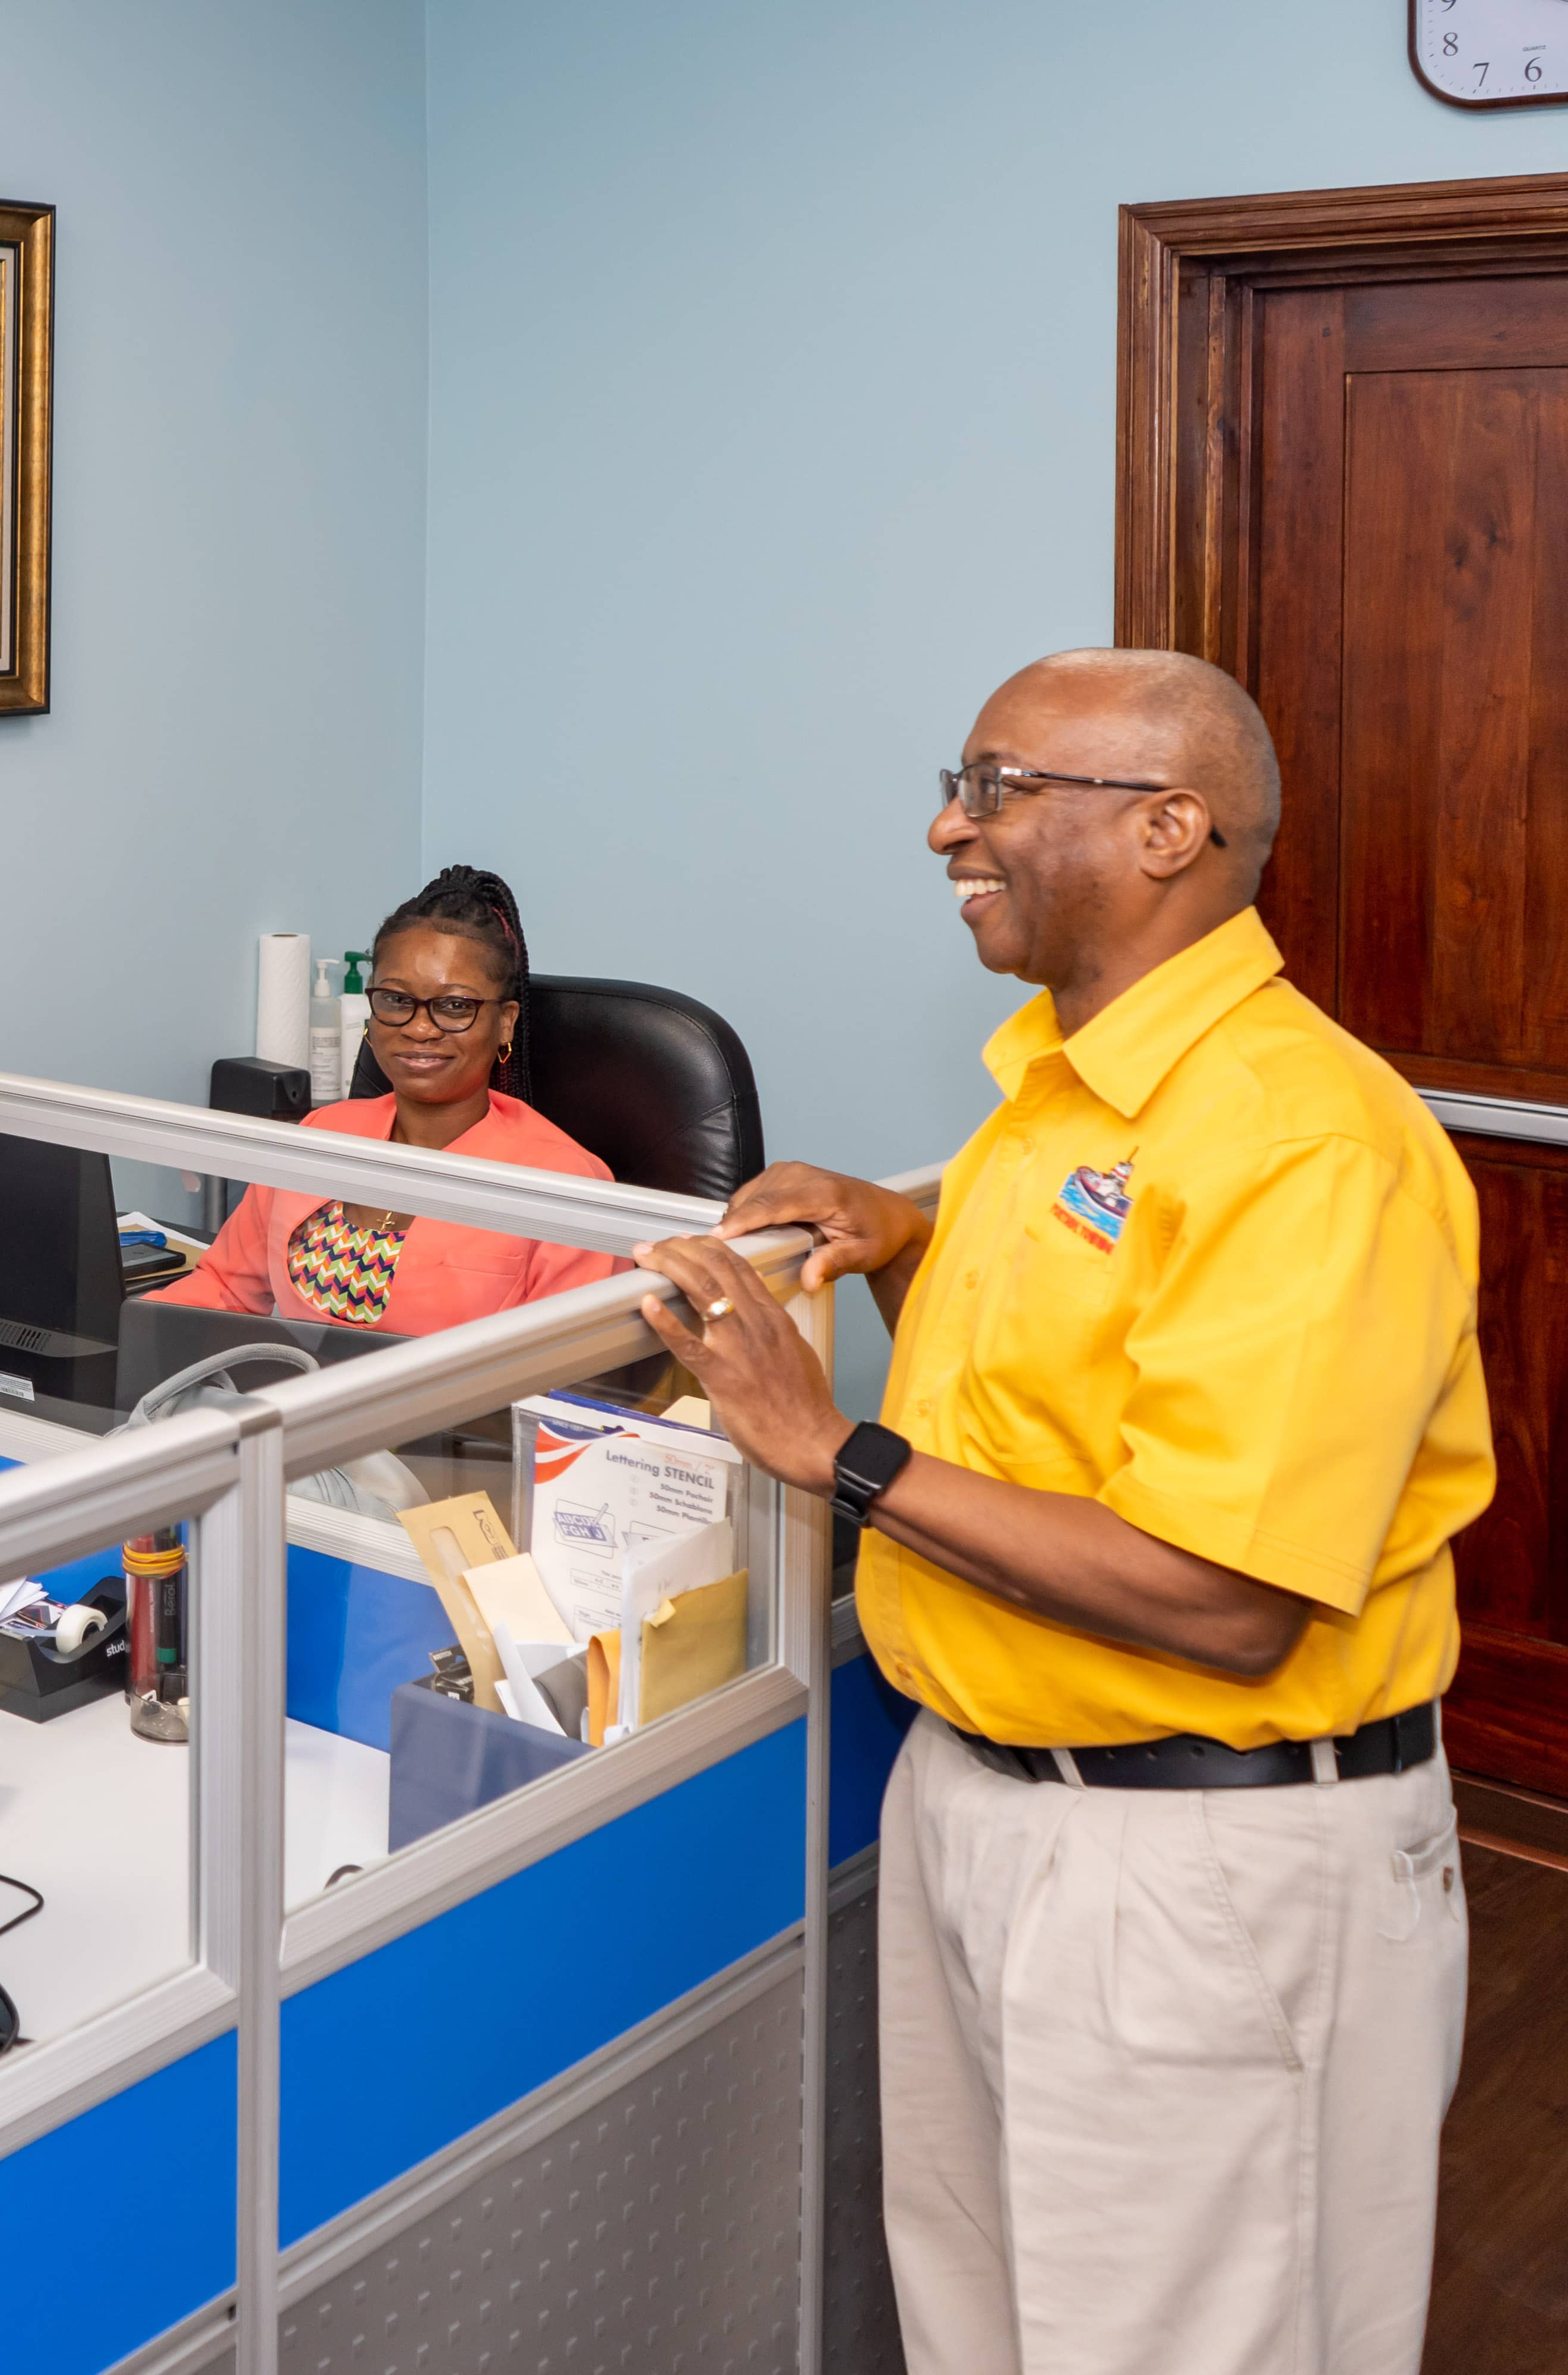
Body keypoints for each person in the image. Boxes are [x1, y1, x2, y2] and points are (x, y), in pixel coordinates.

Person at [631, 648, 1488, 2375]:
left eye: (999, 783)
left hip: (1200, 1857)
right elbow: (1078, 1382)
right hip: (985, 1792)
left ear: (1167, 827)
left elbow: (1220, 1593)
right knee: (980, 2318)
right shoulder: (1063, 1086)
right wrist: (906, 1234)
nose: (950, 823)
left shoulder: (1303, 1143)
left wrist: (832, 1452)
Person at [151, 865, 624, 1332]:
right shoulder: (322, 1134)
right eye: (397, 1000)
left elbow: (567, 1377)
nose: (419, 1028)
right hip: (299, 1400)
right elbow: (225, 1290)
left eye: (455, 1006)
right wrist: (133, 1341)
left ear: (504, 1022)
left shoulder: (567, 1186)